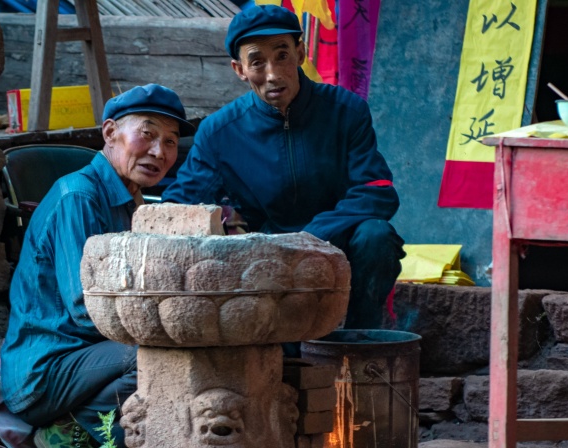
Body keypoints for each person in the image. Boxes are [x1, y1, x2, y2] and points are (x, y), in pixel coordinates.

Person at [162, 4, 405, 330]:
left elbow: (377, 193)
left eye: (282, 55)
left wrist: (311, 236)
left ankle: (361, 340)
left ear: (301, 52)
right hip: (266, 255)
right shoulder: (219, 132)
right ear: (239, 69)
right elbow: (183, 202)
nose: (273, 74)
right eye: (257, 61)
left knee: (376, 235)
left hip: (337, 243)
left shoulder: (346, 111)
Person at [0, 84, 195, 448]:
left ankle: (102, 432)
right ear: (110, 133)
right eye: (148, 133)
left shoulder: (131, 202)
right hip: (46, 370)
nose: (159, 152)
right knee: (157, 353)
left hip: (85, 365)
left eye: (171, 141)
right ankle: (66, 430)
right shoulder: (80, 197)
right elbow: (83, 307)